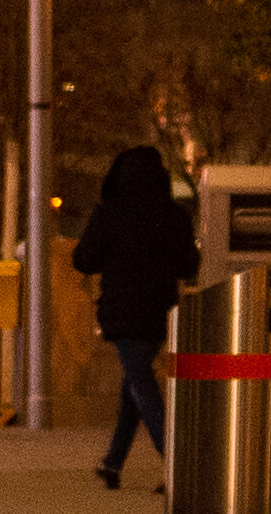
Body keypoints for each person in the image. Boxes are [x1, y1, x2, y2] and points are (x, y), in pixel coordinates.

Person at [69, 145, 193, 489]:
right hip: (159, 312)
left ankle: (175, 460)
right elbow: (189, 265)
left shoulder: (112, 212)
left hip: (122, 311)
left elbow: (83, 259)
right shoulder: (173, 214)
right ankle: (113, 462)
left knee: (139, 380)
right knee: (134, 382)